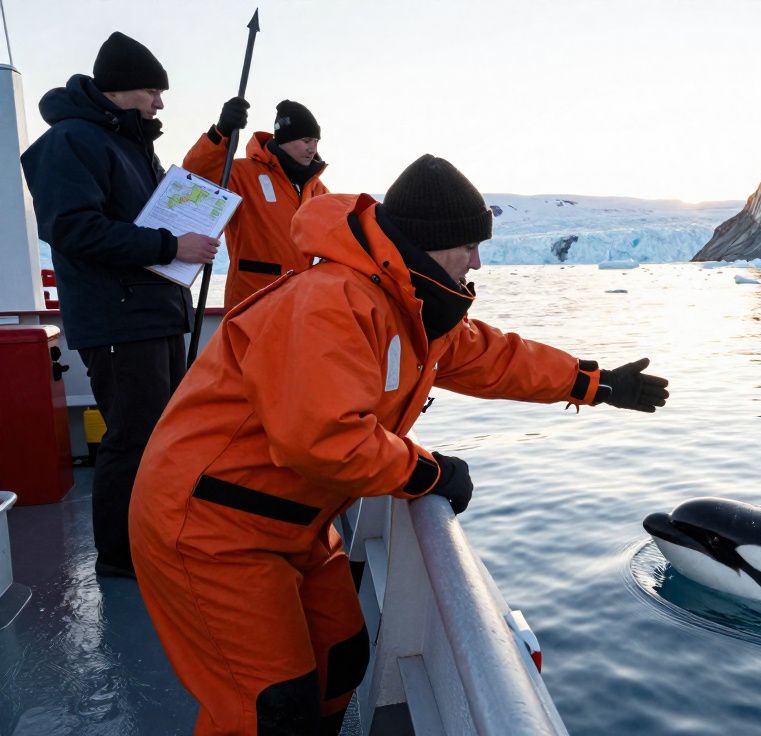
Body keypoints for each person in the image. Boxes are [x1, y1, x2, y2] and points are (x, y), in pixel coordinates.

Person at [128, 154, 669, 734]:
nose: (478, 261)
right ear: (430, 243)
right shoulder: (330, 301)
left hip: (293, 520)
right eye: (468, 246)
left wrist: (596, 382)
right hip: (210, 525)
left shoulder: (408, 302)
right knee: (268, 708)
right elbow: (321, 439)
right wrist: (427, 474)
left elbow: (492, 357)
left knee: (342, 660)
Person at [20, 31, 219, 579]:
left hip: (151, 312)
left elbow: (146, 223)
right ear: (120, 90)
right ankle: (121, 558)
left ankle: (151, 539)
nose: (160, 103)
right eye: (154, 91)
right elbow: (72, 229)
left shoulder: (131, 145)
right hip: (117, 318)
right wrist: (169, 246)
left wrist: (191, 241)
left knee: (157, 435)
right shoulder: (72, 142)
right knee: (132, 438)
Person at [183, 98, 329, 306]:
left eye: (316, 141)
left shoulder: (318, 189)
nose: (312, 148)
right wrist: (222, 131)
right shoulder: (242, 174)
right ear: (284, 139)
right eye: (306, 141)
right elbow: (196, 176)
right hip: (252, 303)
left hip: (300, 303)